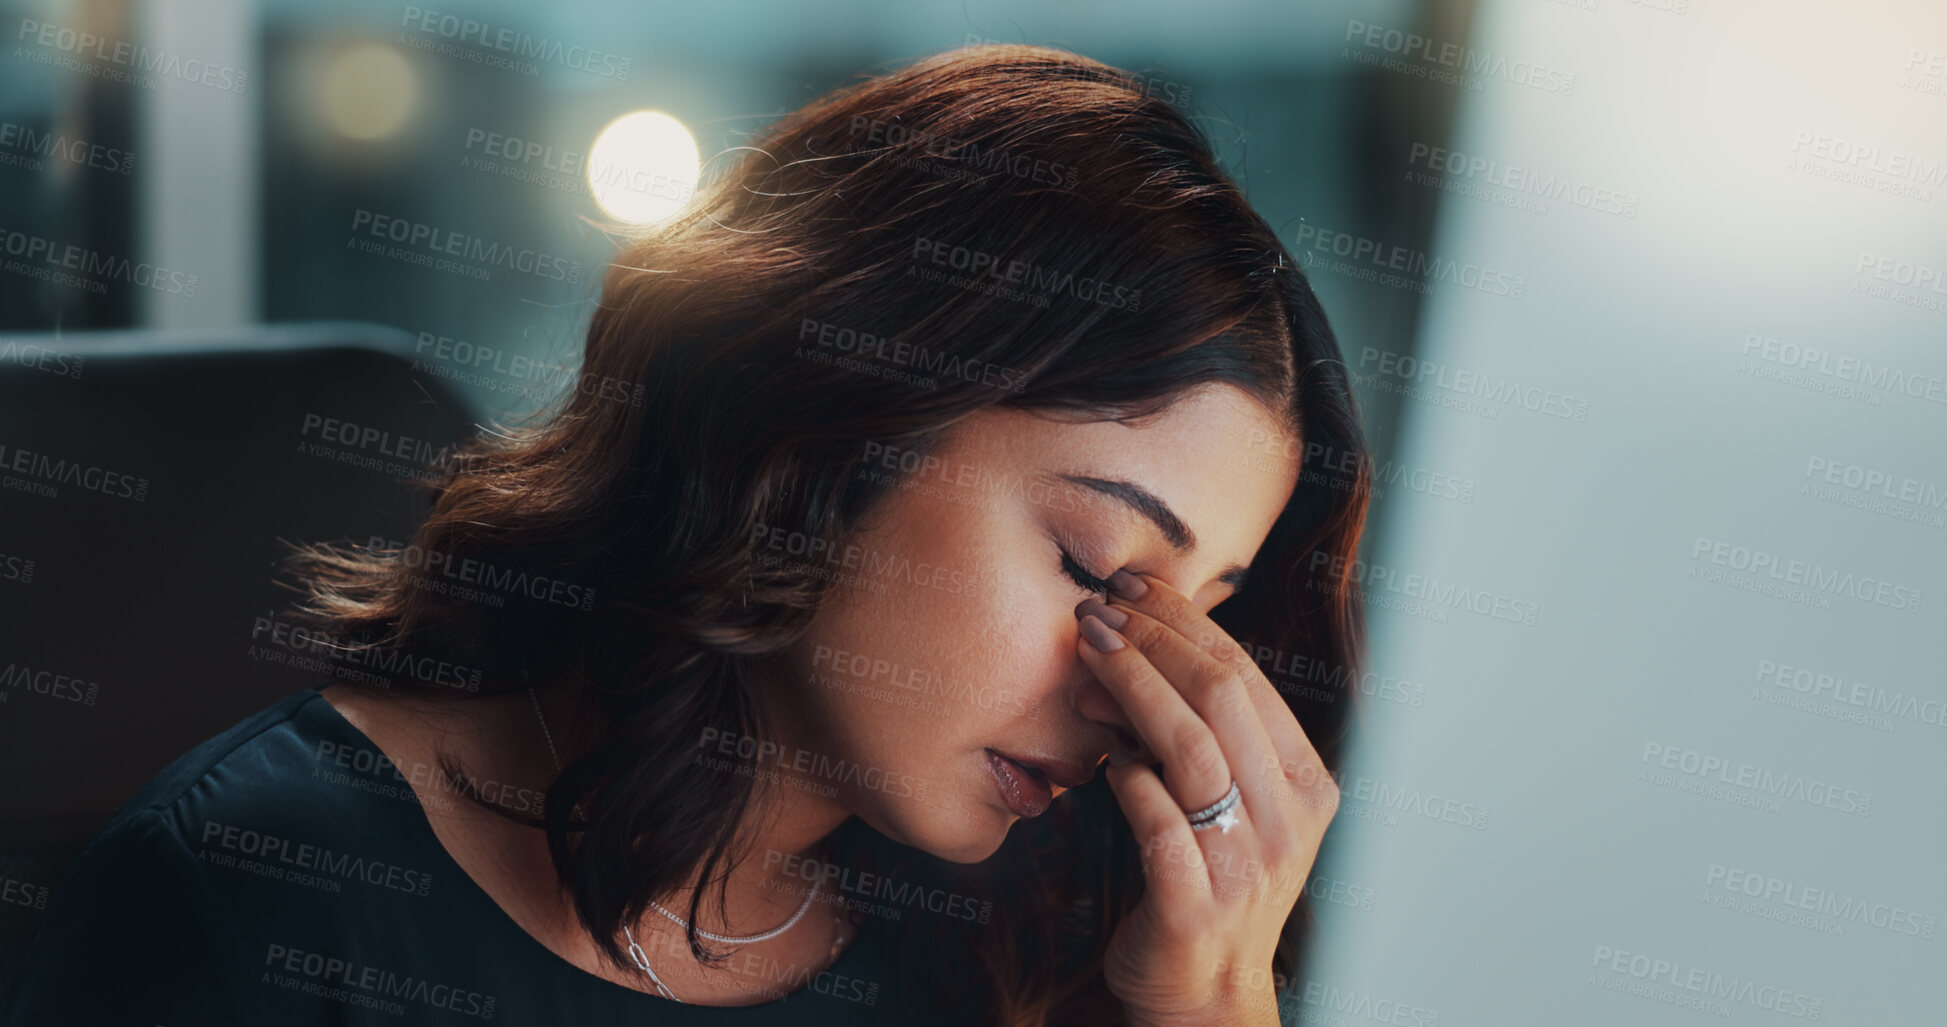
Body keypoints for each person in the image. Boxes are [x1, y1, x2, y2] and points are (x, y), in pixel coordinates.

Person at [7, 42, 1369, 1027]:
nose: (1133, 688)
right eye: (1091, 567)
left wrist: (1213, 1007)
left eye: (1210, 609)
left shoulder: (1038, 941)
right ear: (818, 423)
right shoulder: (252, 900)